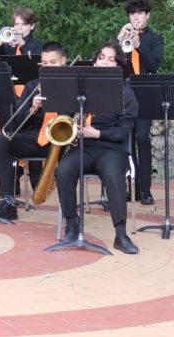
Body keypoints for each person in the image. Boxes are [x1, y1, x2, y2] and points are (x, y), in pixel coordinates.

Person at [53, 42, 139, 254]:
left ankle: (120, 234)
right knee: (62, 170)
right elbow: (63, 115)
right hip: (84, 145)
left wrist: (97, 133)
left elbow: (124, 132)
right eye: (102, 57)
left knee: (112, 174)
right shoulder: (79, 88)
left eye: (111, 59)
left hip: (112, 148)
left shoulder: (126, 93)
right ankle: (72, 224)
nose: (105, 62)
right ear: (94, 61)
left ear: (118, 66)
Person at [0, 41, 68, 221]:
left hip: (64, 140)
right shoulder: (33, 86)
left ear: (63, 61)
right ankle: (9, 202)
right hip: (36, 137)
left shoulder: (73, 85)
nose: (48, 67)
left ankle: (71, 212)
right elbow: (17, 124)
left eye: (53, 62)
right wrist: (31, 110)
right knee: (1, 140)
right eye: (45, 63)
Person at [118, 0, 163, 206]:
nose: (136, 17)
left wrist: (138, 46)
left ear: (148, 16)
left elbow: (153, 65)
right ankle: (130, 188)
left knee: (143, 140)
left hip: (145, 93)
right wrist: (120, 42)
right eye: (132, 13)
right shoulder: (123, 37)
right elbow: (112, 63)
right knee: (126, 140)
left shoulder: (155, 39)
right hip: (125, 93)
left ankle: (145, 189)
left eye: (140, 13)